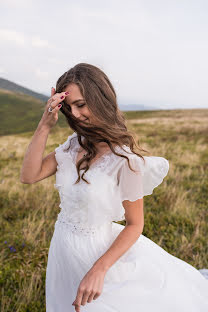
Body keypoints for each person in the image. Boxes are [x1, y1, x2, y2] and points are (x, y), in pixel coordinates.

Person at [20, 63, 208, 312]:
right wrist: (45, 125)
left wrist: (98, 270)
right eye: (69, 107)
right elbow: (29, 175)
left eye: (81, 104)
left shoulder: (125, 160)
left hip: (100, 257)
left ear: (100, 99)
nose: (75, 115)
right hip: (63, 250)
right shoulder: (72, 145)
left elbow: (135, 224)